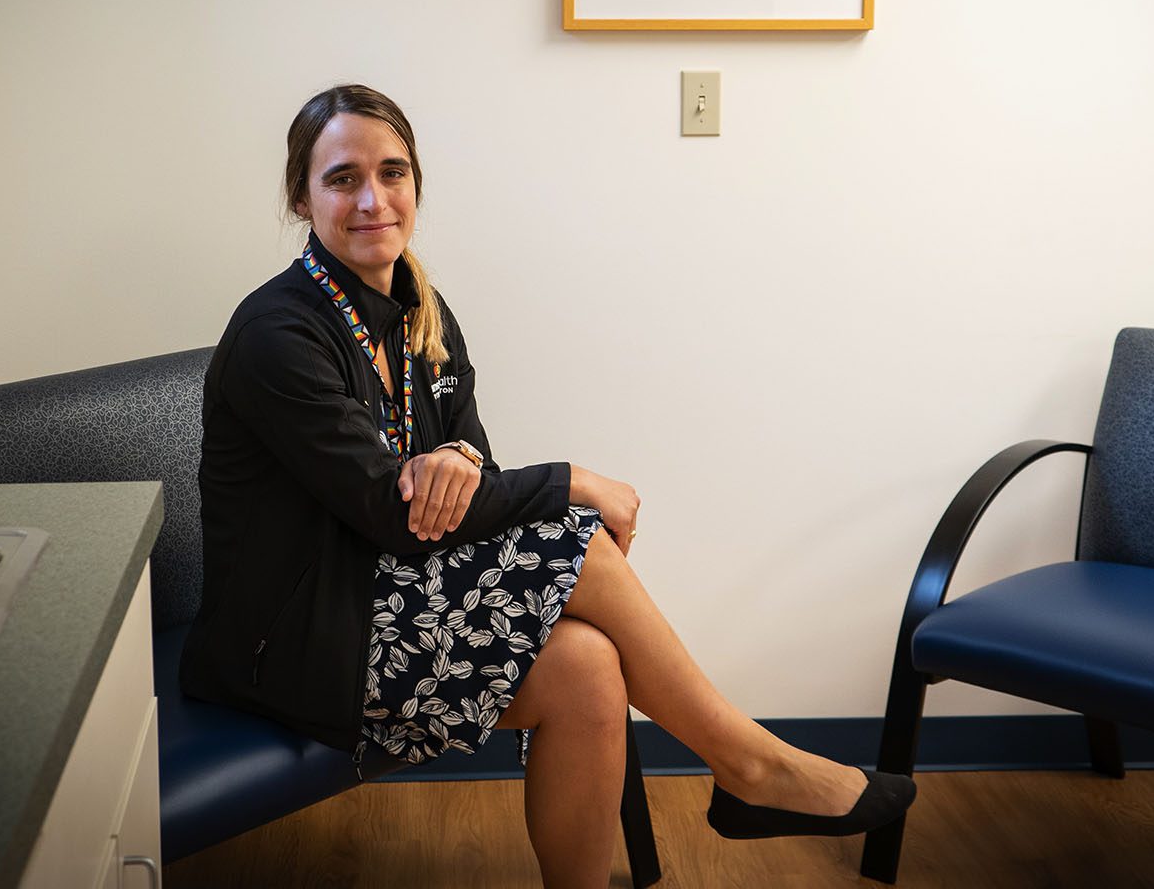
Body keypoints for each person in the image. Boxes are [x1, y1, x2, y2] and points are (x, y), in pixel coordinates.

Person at [181, 84, 915, 886]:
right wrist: (573, 482)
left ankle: (727, 785)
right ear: (301, 195)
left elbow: (477, 486)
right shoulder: (276, 334)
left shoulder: (418, 309)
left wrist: (455, 467)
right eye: (342, 178)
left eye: (392, 173)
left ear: (417, 183)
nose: (373, 199)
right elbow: (396, 515)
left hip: (386, 600)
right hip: (289, 649)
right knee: (578, 536)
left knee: (590, 667)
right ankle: (750, 765)